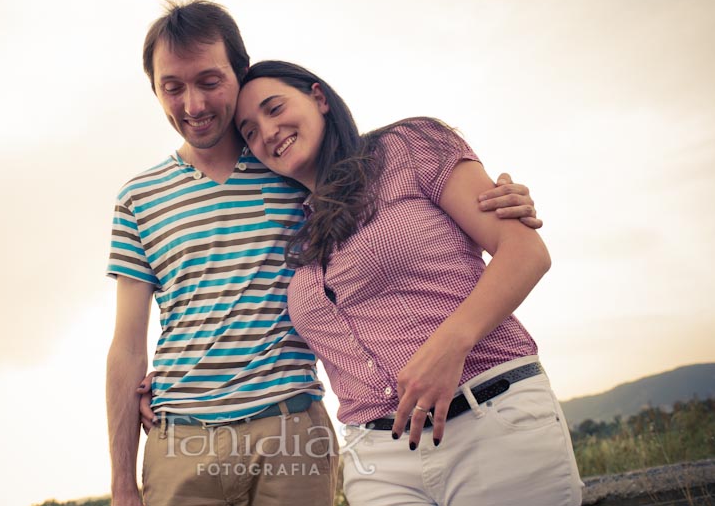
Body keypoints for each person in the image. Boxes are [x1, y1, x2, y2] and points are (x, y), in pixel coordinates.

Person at [107, 0, 543, 506]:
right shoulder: (139, 198)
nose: (194, 105)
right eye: (172, 87)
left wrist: (507, 203)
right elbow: (128, 346)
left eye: (209, 81)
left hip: (295, 432)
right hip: (184, 437)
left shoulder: (294, 169)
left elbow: (404, 212)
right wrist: (123, 482)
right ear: (155, 91)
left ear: (239, 74)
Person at [233, 60, 583, 506]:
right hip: (378, 462)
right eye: (248, 130)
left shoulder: (409, 145)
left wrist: (450, 344)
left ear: (319, 98)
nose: (267, 131)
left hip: (489, 420)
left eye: (274, 108)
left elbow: (525, 251)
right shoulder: (295, 232)